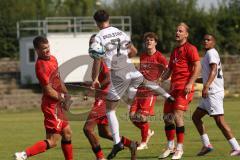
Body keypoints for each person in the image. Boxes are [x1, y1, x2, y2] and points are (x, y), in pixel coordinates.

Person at [90, 10, 174, 160]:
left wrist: (94, 78)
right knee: (146, 82)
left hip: (118, 74)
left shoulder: (98, 37)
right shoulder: (120, 32)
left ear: (96, 22)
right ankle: (167, 95)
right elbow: (133, 51)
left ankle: (117, 143)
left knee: (110, 110)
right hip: (130, 69)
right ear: (109, 19)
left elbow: (97, 60)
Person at [14, 36, 73, 160]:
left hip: (58, 104)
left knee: (67, 133)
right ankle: (24, 155)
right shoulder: (41, 66)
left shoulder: (53, 59)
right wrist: (63, 99)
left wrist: (66, 94)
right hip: (51, 106)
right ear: (37, 50)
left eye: (48, 47)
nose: (47, 50)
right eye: (44, 49)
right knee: (52, 141)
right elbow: (48, 90)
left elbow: (58, 81)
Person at [84, 34, 139, 160]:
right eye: (90, 43)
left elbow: (109, 78)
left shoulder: (103, 59)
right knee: (103, 133)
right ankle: (131, 144)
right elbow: (98, 80)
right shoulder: (97, 60)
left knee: (87, 129)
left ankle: (100, 158)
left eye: (94, 43)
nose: (92, 45)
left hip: (105, 98)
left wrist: (96, 86)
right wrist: (90, 86)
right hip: (101, 97)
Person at [192, 34, 240, 156]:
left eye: (208, 40)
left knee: (220, 121)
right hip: (209, 93)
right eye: (204, 40)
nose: (205, 41)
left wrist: (206, 86)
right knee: (196, 117)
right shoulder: (208, 54)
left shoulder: (211, 53)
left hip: (213, 92)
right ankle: (207, 144)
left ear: (214, 42)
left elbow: (213, 70)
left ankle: (237, 147)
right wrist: (192, 80)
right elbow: (207, 75)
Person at [159, 22, 201, 160]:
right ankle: (170, 147)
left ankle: (180, 148)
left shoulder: (190, 48)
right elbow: (170, 69)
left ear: (186, 34)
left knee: (177, 116)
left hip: (184, 87)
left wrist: (190, 83)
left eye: (180, 31)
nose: (177, 33)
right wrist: (160, 79)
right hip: (173, 88)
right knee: (167, 117)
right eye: (176, 30)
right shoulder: (175, 50)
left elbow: (197, 66)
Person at [129, 32, 168, 150]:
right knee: (132, 116)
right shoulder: (143, 56)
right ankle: (148, 131)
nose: (149, 42)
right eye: (147, 40)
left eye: (151, 40)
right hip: (140, 90)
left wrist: (160, 80)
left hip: (150, 92)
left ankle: (144, 142)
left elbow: (168, 70)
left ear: (155, 42)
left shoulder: (160, 57)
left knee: (141, 117)